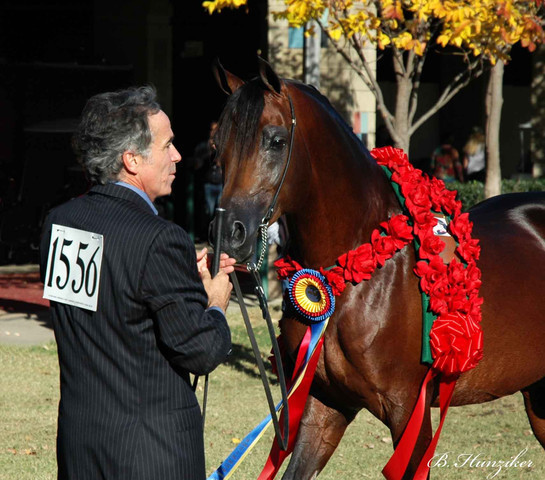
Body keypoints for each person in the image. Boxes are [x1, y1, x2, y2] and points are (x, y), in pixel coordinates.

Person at [39, 86, 235, 480]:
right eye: (167, 145)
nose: (178, 156)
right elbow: (200, 351)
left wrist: (175, 281)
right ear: (131, 159)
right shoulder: (160, 238)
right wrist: (214, 302)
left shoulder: (59, 222)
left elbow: (114, 305)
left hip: (81, 445)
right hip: (148, 455)